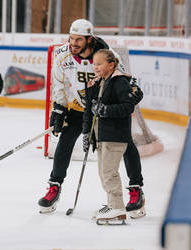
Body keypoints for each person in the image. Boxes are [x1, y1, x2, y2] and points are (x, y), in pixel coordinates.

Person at [38, 19, 145, 216]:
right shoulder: (62, 55)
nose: (73, 43)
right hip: (81, 107)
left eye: (79, 39)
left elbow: (122, 80)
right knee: (66, 139)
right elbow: (59, 84)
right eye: (71, 38)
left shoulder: (106, 55)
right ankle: (55, 185)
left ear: (90, 39)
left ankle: (136, 189)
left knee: (126, 143)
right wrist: (58, 109)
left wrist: (132, 91)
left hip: (106, 108)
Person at [83, 49, 135, 223]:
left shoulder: (119, 82)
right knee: (102, 172)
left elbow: (128, 106)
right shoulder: (100, 82)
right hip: (102, 135)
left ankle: (118, 208)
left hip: (116, 135)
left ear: (111, 65)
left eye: (99, 64)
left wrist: (105, 110)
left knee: (109, 172)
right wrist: (87, 133)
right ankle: (111, 203)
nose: (95, 67)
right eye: (94, 64)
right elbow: (89, 109)